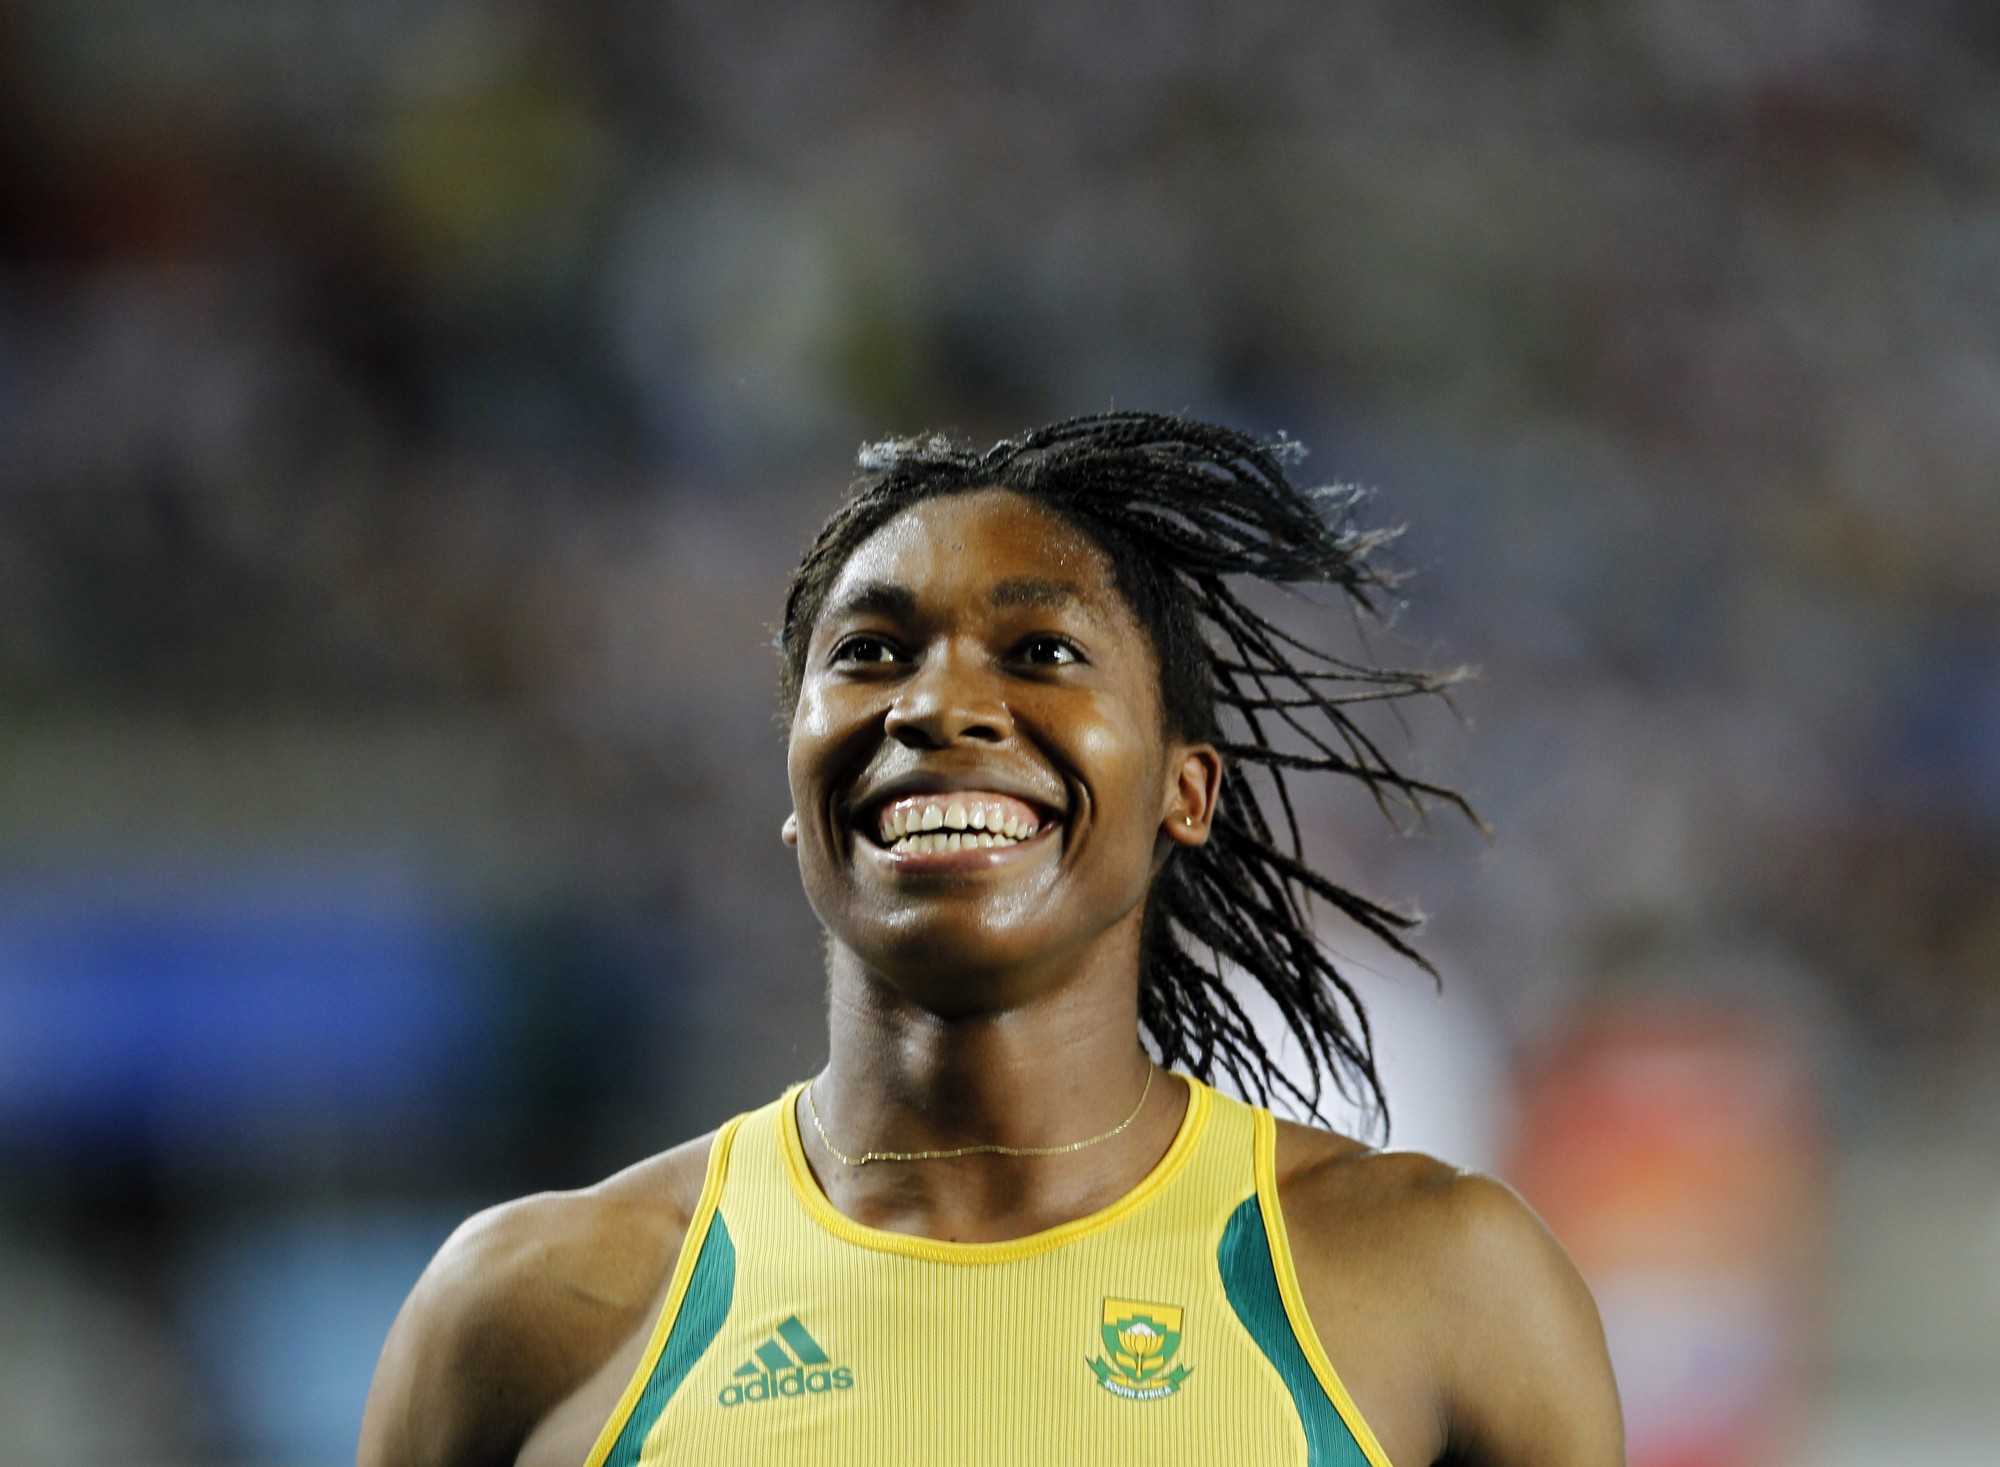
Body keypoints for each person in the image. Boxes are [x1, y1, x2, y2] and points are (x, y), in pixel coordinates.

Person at [357, 413, 1623, 1467]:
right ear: (798, 795)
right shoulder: (525, 1311)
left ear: (1187, 791)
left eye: (1039, 651)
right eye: (868, 654)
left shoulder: (1443, 1283)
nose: (938, 704)